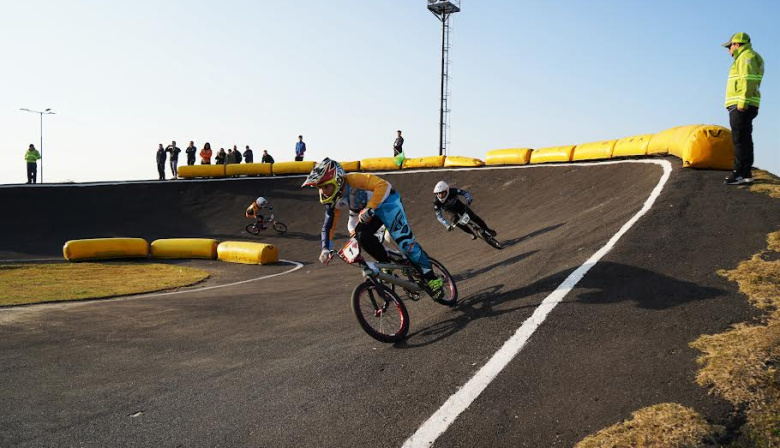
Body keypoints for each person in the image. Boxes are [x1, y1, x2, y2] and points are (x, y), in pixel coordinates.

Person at [302, 158, 445, 299]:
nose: (323, 191)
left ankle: (432, 279)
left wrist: (370, 207)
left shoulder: (354, 180)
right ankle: (386, 263)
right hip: (369, 212)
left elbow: (384, 185)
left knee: (405, 242)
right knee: (360, 236)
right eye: (319, 188)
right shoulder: (331, 200)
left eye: (326, 186)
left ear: (338, 180)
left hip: (388, 204)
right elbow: (328, 226)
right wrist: (325, 248)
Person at [722, 32, 765, 186]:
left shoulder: (746, 57)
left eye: (729, 46)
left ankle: (739, 173)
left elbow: (749, 80)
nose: (729, 50)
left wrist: (743, 102)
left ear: (737, 44)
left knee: (739, 139)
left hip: (741, 105)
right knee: (744, 138)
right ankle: (746, 173)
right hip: (742, 104)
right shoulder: (745, 57)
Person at [433, 181, 497, 240]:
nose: (440, 195)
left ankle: (488, 230)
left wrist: (469, 198)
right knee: (456, 222)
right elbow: (439, 216)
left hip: (458, 205)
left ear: (447, 190)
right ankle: (471, 233)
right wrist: (447, 225)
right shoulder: (436, 201)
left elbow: (464, 192)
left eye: (442, 193)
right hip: (450, 212)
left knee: (474, 217)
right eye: (439, 194)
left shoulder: (452, 191)